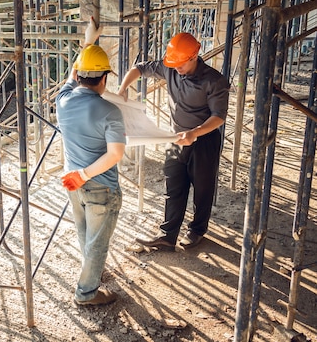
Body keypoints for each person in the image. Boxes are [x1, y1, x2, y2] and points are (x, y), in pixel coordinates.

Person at [117, 32, 230, 251]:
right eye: (173, 63)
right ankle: (167, 235)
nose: (176, 68)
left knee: (202, 188)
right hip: (175, 137)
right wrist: (123, 90)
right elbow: (139, 68)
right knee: (174, 185)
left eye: (181, 64)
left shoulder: (214, 80)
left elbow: (219, 116)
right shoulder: (169, 67)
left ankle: (197, 231)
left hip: (204, 141)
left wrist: (195, 133)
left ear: (194, 56)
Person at [56, 18, 127, 306]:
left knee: (85, 233)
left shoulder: (63, 100)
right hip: (98, 184)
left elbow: (73, 74)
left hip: (72, 180)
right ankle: (86, 293)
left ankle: (92, 273)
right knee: (98, 243)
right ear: (105, 78)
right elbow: (115, 154)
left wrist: (88, 41)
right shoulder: (110, 110)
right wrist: (85, 174)